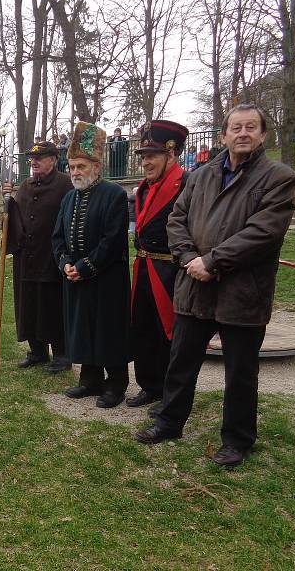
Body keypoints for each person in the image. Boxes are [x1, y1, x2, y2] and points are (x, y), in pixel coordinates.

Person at [135, 104, 295, 468]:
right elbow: (177, 221)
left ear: (262, 135)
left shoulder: (279, 177)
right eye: (236, 127)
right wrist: (189, 258)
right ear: (223, 135)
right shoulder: (201, 176)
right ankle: (169, 422)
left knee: (240, 371)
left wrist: (212, 261)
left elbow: (264, 232)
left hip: (242, 290)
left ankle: (237, 440)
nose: (243, 133)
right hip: (195, 286)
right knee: (181, 361)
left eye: (251, 127)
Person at [52, 122, 131, 408]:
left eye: (81, 167)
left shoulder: (115, 195)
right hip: (75, 277)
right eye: (72, 167)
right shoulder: (68, 198)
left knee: (108, 330)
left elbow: (112, 242)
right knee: (82, 328)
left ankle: (116, 384)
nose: (75, 172)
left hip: (107, 278)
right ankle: (90, 380)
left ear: (96, 167)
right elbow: (58, 236)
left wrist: (84, 267)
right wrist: (64, 264)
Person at [127, 120, 189, 410]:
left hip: (171, 270)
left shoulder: (187, 184)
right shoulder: (143, 188)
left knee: (169, 332)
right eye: (143, 156)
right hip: (144, 268)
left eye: (152, 155)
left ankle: (169, 392)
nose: (146, 162)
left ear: (172, 154)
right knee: (143, 328)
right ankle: (148, 385)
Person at [2, 141, 73, 372]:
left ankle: (62, 354)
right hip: (26, 259)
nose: (34, 162)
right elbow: (16, 216)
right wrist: (8, 202)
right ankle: (37, 351)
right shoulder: (25, 185)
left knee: (52, 307)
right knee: (28, 305)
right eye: (32, 159)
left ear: (53, 159)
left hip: (51, 257)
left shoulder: (65, 184)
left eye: (39, 158)